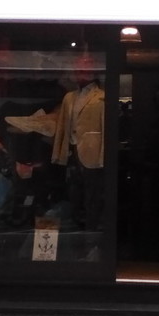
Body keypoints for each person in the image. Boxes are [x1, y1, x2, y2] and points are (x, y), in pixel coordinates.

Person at [51, 53, 105, 231]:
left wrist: (103, 156)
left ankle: (92, 228)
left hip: (92, 152)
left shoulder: (102, 97)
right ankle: (76, 225)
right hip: (72, 150)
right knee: (73, 190)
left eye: (85, 69)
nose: (80, 72)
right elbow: (63, 127)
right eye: (78, 69)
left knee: (92, 193)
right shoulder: (69, 97)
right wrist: (60, 152)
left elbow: (105, 128)